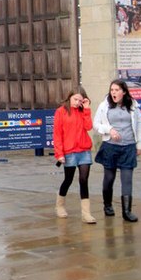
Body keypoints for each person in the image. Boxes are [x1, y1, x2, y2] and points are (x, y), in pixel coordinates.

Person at [93, 79, 141, 222]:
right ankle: (108, 205)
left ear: (123, 92)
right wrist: (109, 129)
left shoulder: (133, 105)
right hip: (110, 146)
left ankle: (127, 212)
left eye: (116, 90)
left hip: (128, 147)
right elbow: (96, 124)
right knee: (109, 178)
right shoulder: (105, 105)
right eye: (112, 90)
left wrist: (140, 144)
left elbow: (140, 124)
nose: (114, 93)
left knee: (127, 179)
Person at [53, 86, 96, 224]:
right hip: (69, 151)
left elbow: (89, 127)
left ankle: (86, 214)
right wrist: (59, 153)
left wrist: (87, 109)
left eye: (80, 100)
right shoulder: (60, 112)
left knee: (84, 180)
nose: (77, 102)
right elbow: (57, 134)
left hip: (84, 150)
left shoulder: (83, 111)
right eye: (75, 99)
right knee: (68, 179)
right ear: (69, 97)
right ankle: (59, 205)